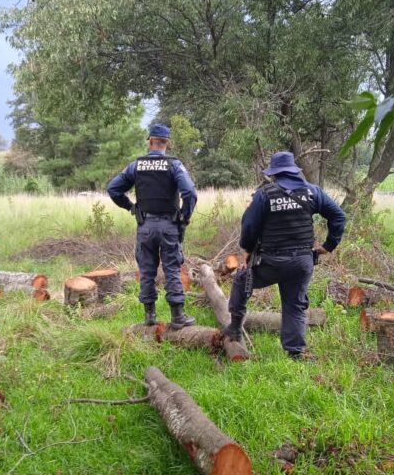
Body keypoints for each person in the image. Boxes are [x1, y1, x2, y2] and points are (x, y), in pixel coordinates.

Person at [222, 151, 346, 359]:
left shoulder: (264, 194)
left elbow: (250, 226)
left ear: (275, 174)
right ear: (293, 170)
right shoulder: (312, 192)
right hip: (301, 263)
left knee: (242, 279)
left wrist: (246, 249)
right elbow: (339, 216)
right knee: (294, 304)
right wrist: (328, 245)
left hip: (270, 262)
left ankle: (234, 327)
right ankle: (295, 352)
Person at [107, 123, 198, 329]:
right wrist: (184, 216)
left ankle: (149, 317)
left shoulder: (136, 166)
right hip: (169, 225)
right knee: (172, 269)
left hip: (145, 225)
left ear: (150, 141)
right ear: (168, 143)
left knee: (147, 270)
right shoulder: (174, 165)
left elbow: (113, 189)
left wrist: (130, 207)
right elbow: (190, 193)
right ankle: (178, 317)